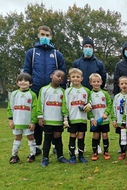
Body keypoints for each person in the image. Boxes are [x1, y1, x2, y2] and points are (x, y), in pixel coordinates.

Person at [23, 25, 67, 156]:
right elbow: (26, 72)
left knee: (54, 117)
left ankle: (55, 143)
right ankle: (37, 145)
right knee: (37, 118)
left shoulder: (57, 54)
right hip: (36, 90)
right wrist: (27, 90)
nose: (45, 38)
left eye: (47, 36)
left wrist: (62, 90)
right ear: (38, 36)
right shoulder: (31, 53)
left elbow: (62, 73)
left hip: (53, 91)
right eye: (43, 35)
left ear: (51, 37)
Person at [37, 70, 69, 167]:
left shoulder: (63, 92)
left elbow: (64, 106)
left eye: (62, 78)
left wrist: (65, 118)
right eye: (58, 76)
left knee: (58, 137)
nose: (60, 78)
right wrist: (40, 117)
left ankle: (60, 156)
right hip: (47, 119)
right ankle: (45, 158)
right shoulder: (44, 89)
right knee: (47, 138)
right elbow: (40, 104)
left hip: (58, 120)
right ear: (52, 76)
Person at [62, 68, 92, 164]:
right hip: (72, 118)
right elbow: (65, 105)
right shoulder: (67, 91)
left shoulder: (86, 90)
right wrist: (65, 118)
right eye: (73, 77)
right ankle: (72, 156)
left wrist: (89, 105)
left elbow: (90, 102)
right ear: (69, 78)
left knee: (81, 136)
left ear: (82, 78)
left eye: (78, 77)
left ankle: (81, 155)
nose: (75, 79)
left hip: (82, 118)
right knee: (72, 136)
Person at [7, 73, 37, 163]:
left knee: (31, 137)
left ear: (30, 83)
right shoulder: (14, 94)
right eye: (20, 80)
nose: (23, 82)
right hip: (17, 122)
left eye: (26, 80)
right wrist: (10, 120)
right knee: (17, 138)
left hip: (28, 123)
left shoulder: (32, 95)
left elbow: (35, 109)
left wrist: (33, 122)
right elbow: (10, 107)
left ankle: (32, 155)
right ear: (17, 83)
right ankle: (14, 155)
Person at [89, 73, 112, 161]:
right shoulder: (89, 94)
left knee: (105, 135)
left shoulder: (105, 93)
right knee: (95, 135)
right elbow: (88, 108)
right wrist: (92, 118)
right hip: (95, 120)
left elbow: (109, 104)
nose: (96, 83)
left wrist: (106, 113)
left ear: (101, 82)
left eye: (98, 81)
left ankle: (106, 151)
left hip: (104, 120)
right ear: (90, 83)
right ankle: (95, 152)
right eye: (94, 81)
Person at [111, 76, 127, 160]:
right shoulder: (117, 97)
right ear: (119, 85)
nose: (124, 85)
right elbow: (114, 109)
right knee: (122, 137)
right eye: (122, 83)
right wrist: (114, 120)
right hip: (120, 121)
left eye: (126, 83)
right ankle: (123, 152)